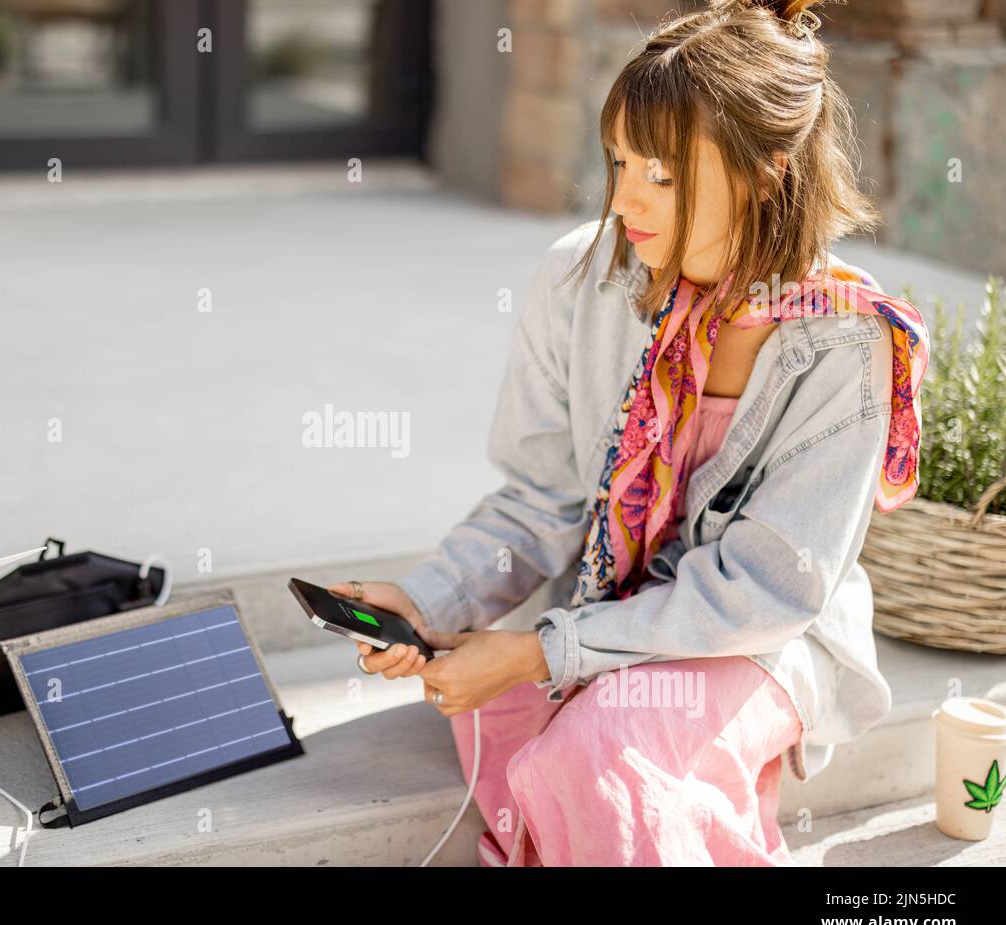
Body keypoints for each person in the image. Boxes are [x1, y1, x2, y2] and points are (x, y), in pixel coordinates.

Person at [327, 0, 930, 866]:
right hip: (601, 612)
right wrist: (429, 601)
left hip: (760, 640)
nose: (624, 199)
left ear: (767, 170)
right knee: (501, 715)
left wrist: (544, 651)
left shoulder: (845, 340)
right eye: (617, 161)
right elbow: (540, 497)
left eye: (663, 174)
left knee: (606, 750)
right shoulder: (581, 278)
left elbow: (763, 591)